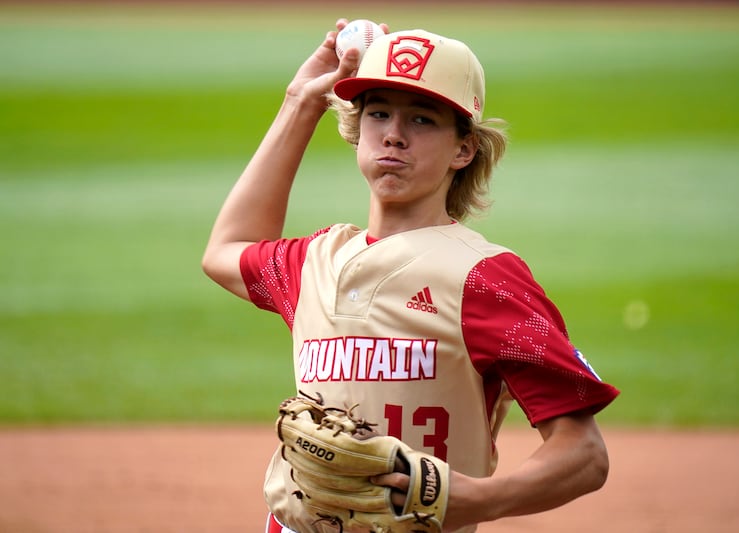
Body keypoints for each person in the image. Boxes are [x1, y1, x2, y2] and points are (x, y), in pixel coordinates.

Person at [202, 18, 620, 533]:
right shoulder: (315, 260)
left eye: (422, 120)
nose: (394, 136)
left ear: (463, 149)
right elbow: (224, 251)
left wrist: (478, 499)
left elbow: (583, 455)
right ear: (357, 132)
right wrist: (302, 100)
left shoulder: (484, 277)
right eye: (378, 114)